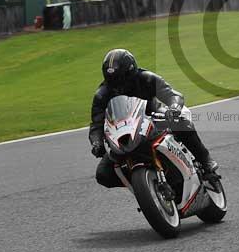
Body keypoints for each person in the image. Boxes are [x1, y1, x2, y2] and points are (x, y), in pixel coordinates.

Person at [89, 48, 217, 188]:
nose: (118, 85)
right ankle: (145, 185)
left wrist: (173, 108)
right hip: (124, 132)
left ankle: (205, 160)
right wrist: (96, 142)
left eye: (121, 79)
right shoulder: (102, 95)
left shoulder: (147, 78)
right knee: (103, 174)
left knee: (181, 123)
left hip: (153, 118)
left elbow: (172, 94)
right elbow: (96, 124)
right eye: (112, 81)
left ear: (131, 72)